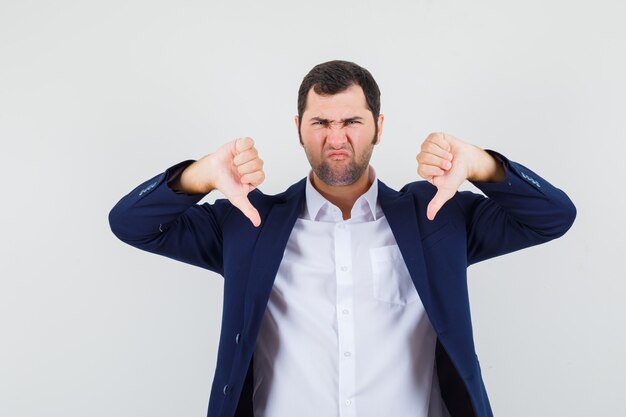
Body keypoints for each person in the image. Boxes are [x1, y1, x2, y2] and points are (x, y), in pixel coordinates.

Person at [109, 60, 576, 417]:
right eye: (321, 123)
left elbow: (552, 216)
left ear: (378, 125)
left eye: (351, 122)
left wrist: (483, 166)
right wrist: (198, 177)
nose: (337, 138)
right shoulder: (249, 223)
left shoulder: (436, 218)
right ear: (298, 130)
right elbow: (131, 223)